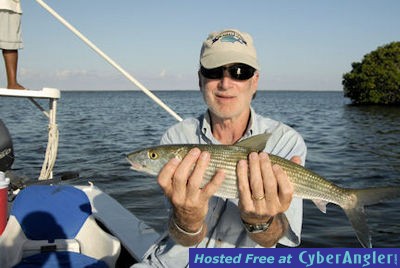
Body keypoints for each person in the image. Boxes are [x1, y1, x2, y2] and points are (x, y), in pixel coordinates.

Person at [134, 29, 307, 267]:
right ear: (200, 79)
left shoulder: (286, 141)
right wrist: (188, 219)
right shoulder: (176, 136)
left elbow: (275, 241)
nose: (226, 83)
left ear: (254, 81)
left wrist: (261, 221)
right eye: (214, 71)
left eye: (240, 72)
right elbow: (182, 237)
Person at [0, 0, 24, 89]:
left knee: (10, 43)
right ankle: (12, 83)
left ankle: (12, 83)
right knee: (10, 43)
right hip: (5, 5)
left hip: (7, 5)